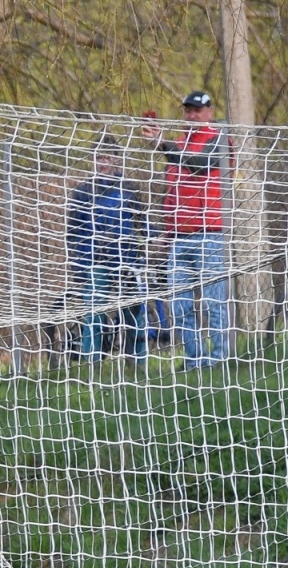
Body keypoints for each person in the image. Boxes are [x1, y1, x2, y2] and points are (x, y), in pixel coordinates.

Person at [141, 90, 229, 368]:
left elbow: (200, 165)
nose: (192, 115)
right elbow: (171, 197)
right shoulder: (178, 145)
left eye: (197, 111)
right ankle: (195, 359)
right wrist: (165, 234)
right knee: (179, 306)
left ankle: (221, 358)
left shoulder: (219, 140)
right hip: (178, 239)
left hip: (209, 234)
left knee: (214, 302)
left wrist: (162, 145)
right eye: (188, 110)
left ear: (209, 112)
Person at [66, 137, 150, 364]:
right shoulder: (83, 191)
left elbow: (143, 224)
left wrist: (150, 246)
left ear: (116, 159)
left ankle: (137, 361)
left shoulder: (129, 188)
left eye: (107, 157)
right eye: (98, 158)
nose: (102, 162)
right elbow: (72, 233)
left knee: (133, 312)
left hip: (126, 259)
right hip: (95, 260)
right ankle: (92, 362)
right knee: (94, 312)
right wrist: (78, 266)